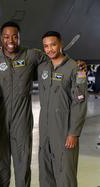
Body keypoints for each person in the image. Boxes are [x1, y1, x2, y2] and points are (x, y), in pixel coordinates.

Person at [0, 21, 48, 187]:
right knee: (0, 162)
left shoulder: (31, 55)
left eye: (14, 36)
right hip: (0, 119)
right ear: (1, 39)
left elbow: (52, 59)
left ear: (19, 38)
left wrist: (76, 64)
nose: (11, 40)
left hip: (22, 120)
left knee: (23, 162)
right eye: (7, 37)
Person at [38, 31, 87, 187]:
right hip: (45, 130)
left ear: (61, 44)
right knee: (46, 174)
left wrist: (74, 133)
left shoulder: (75, 68)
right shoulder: (43, 67)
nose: (50, 49)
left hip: (64, 130)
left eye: (53, 44)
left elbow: (79, 103)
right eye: (46, 46)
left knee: (65, 173)